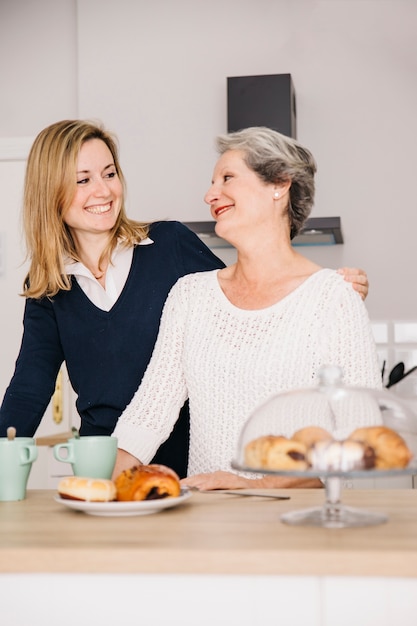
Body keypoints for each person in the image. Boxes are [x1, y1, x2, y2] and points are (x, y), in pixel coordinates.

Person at [0, 120, 368, 478]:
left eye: (109, 174)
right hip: (122, 463)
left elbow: (251, 297)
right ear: (51, 192)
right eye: (83, 180)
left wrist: (326, 293)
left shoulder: (170, 247)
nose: (103, 190)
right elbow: (32, 388)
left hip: (195, 465)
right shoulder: (50, 285)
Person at [112, 126, 382, 490]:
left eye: (227, 178)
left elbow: (363, 439)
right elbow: (147, 416)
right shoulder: (190, 296)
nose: (210, 194)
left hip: (302, 532)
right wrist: (103, 493)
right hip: (210, 528)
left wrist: (253, 485)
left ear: (279, 184)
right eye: (212, 182)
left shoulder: (333, 297)